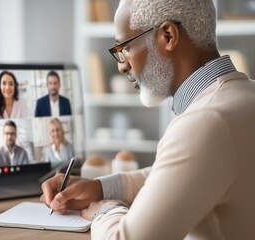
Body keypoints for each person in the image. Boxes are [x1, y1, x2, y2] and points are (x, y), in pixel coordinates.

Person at [41, 0, 255, 239]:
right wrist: (100, 188)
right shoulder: (244, 98)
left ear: (168, 36)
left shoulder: (205, 122)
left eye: (125, 48)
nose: (122, 66)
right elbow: (178, 174)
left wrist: (104, 209)